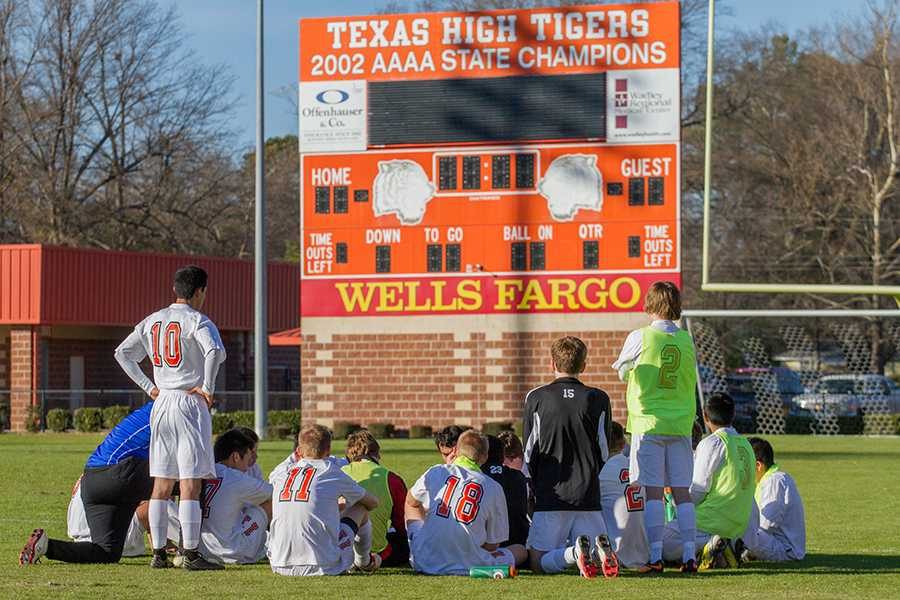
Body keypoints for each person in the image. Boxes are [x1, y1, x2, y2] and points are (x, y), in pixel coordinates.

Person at [114, 265, 227, 570]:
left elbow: (122, 353)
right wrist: (207, 388)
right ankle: (190, 553)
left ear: (175, 289)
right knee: (191, 482)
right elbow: (214, 351)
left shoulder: (153, 320)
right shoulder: (198, 320)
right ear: (200, 291)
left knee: (161, 482)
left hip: (162, 402)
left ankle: (158, 553)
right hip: (189, 402)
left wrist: (149, 387)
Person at [612, 280, 699, 573]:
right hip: (680, 423)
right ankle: (690, 555)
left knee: (652, 491)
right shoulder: (687, 340)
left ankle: (657, 555)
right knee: (681, 491)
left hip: (648, 422)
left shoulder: (641, 337)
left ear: (650, 303)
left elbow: (623, 371)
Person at [524, 336, 618, 579]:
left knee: (536, 561)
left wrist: (537, 482)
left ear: (551, 363)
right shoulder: (599, 398)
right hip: (588, 493)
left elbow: (529, 450)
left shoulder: (536, 397)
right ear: (583, 366)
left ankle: (573, 554)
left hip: (551, 493)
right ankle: (588, 552)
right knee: (596, 558)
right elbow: (604, 450)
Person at [21, 403, 156, 565]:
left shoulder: (148, 412)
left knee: (106, 552)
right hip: (120, 473)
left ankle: (46, 546)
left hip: (93, 479)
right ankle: (191, 550)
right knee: (185, 483)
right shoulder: (172, 408)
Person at [406, 430, 528, 575]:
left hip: (424, 561)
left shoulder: (436, 471)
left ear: (456, 450)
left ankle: (422, 548)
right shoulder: (493, 487)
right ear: (485, 457)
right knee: (521, 551)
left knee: (411, 505)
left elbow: (411, 501)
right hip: (471, 565)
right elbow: (492, 545)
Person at [269, 424, 380, 576]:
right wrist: (346, 503)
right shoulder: (331, 471)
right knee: (360, 508)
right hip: (323, 565)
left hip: (279, 563)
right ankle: (365, 562)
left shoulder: (281, 473)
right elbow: (372, 502)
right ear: (328, 449)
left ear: (299, 450)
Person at [662, 393, 756, 569]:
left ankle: (709, 547)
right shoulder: (746, 444)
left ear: (705, 417)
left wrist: (675, 503)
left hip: (711, 522)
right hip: (740, 525)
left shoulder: (712, 443)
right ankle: (725, 549)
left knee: (662, 542)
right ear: (733, 414)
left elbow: (697, 490)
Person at [198, 429, 273, 565]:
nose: (249, 464)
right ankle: (282, 547)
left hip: (202, 548)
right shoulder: (235, 477)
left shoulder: (205, 471)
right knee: (271, 503)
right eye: (249, 456)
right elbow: (275, 493)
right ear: (236, 457)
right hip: (231, 551)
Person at [341, 429, 410, 567]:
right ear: (376, 454)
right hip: (378, 553)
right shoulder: (392, 479)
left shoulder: (338, 474)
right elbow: (403, 525)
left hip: (338, 549)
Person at [738, 437, 806, 562]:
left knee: (739, 529)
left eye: (743, 464)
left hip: (785, 549)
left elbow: (766, 525)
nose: (740, 469)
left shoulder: (774, 481)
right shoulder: (765, 481)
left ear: (758, 466)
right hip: (773, 541)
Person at [598, 422, 649, 569]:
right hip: (647, 551)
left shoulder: (600, 472)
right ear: (622, 443)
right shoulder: (639, 468)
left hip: (615, 550)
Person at [482, 435, 530, 550]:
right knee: (521, 552)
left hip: (485, 545)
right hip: (516, 543)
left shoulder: (477, 477)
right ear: (502, 455)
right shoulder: (518, 476)